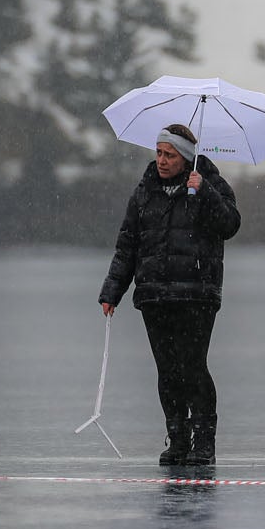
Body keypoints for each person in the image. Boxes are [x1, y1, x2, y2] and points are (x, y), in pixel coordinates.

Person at [99, 122, 241, 466]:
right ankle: (178, 438)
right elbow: (128, 244)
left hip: (196, 294)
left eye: (170, 155)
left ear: (186, 157)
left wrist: (204, 192)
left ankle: (204, 441)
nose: (162, 161)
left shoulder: (211, 184)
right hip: (154, 294)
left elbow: (231, 225)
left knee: (193, 367)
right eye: (159, 153)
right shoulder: (144, 190)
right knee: (167, 370)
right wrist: (112, 290)